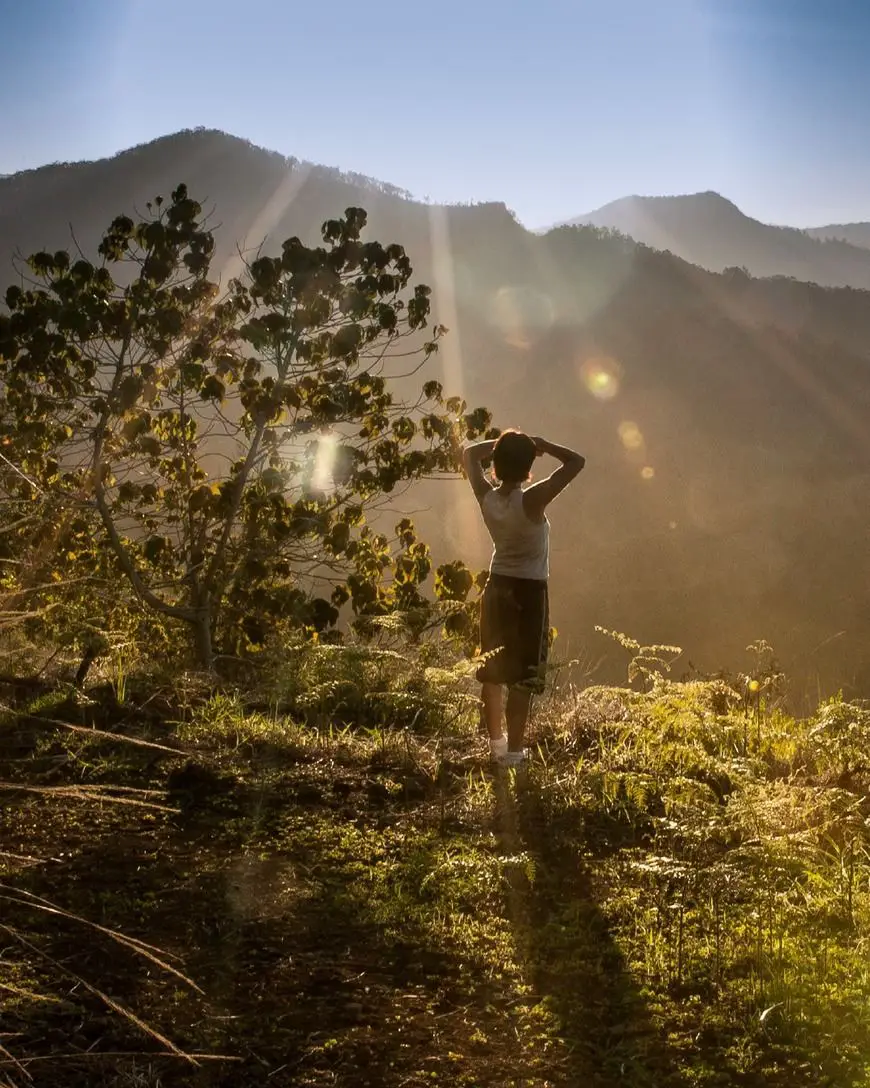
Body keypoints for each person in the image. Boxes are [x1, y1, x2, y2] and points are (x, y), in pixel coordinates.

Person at [462, 431, 585, 765]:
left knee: (492, 668)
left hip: (497, 586)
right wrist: (544, 444)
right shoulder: (532, 500)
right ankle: (515, 753)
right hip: (529, 592)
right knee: (523, 675)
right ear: (529, 466)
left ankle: (497, 746)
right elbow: (576, 462)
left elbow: (470, 454)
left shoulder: (486, 496)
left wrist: (500, 446)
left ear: (497, 465)